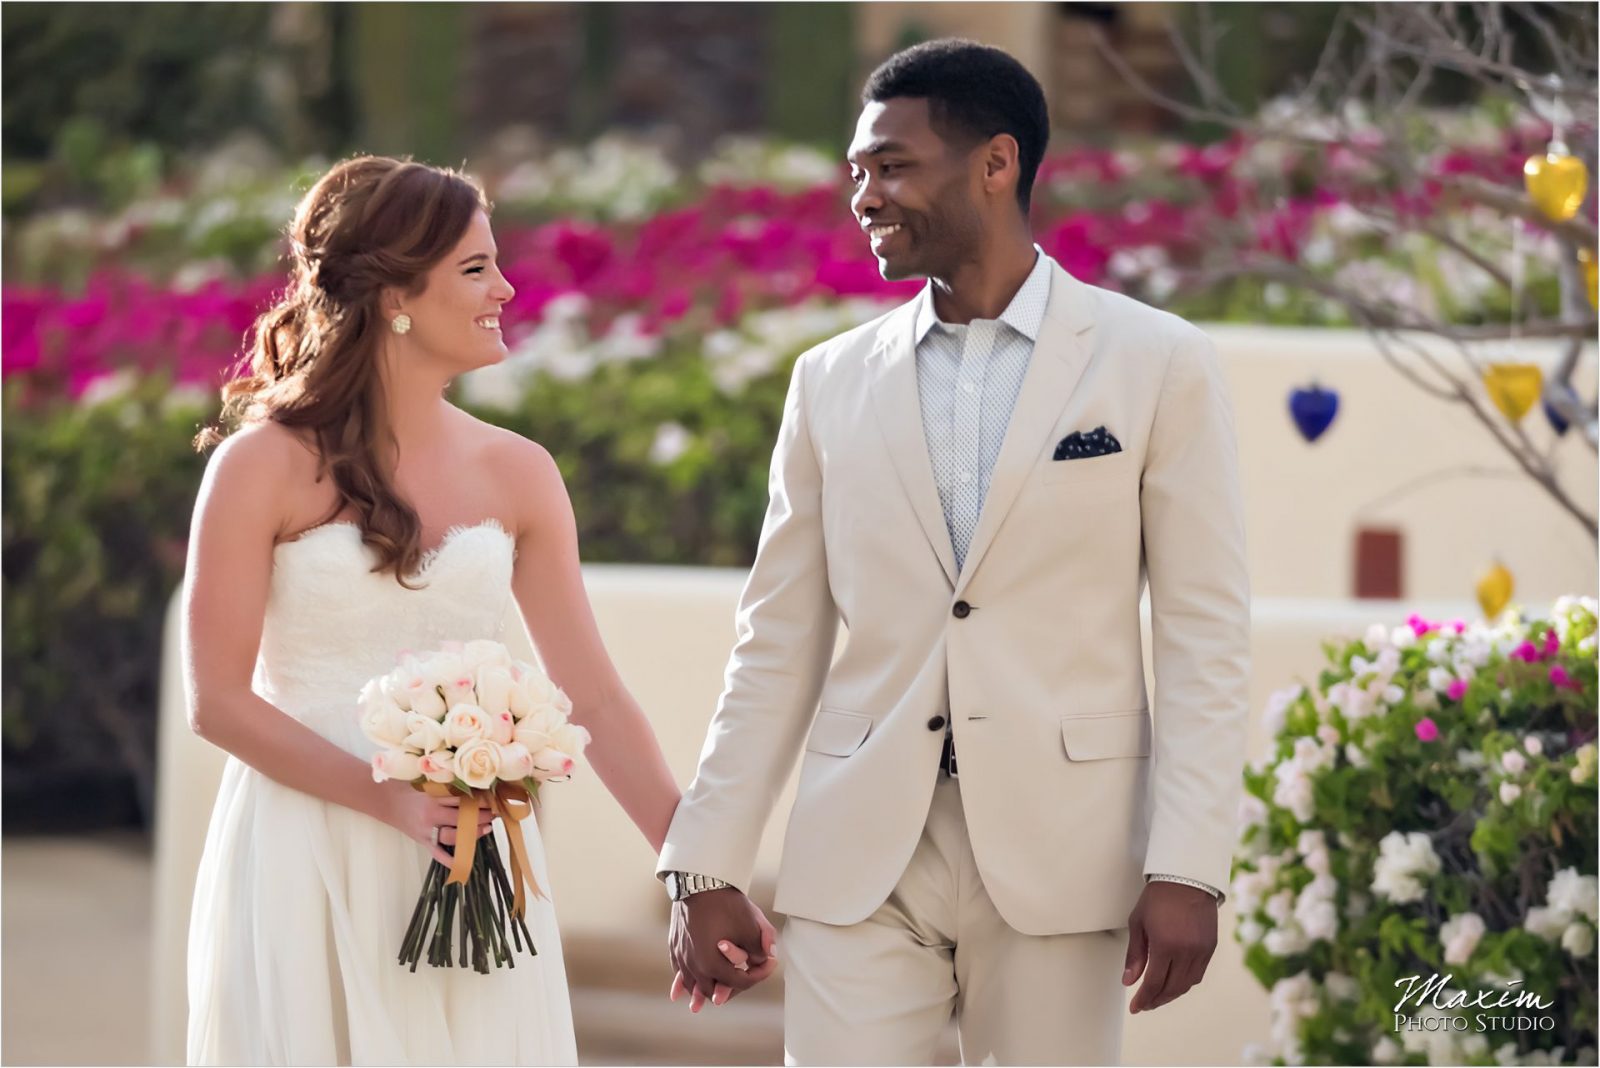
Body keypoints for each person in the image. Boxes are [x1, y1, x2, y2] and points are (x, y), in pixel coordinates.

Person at [657, 39, 1251, 1065]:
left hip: (1066, 850)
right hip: (862, 852)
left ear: (995, 163)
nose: (864, 196)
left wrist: (1190, 863)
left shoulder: (1158, 363)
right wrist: (704, 858)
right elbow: (777, 639)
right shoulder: (829, 382)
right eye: (855, 173)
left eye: (891, 166)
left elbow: (1204, 633)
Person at [182, 155, 760, 1066]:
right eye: (475, 268)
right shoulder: (260, 466)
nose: (508, 286)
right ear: (394, 295)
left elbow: (595, 700)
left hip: (474, 857)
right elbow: (216, 700)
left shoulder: (520, 471)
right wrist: (388, 798)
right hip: (307, 851)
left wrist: (693, 872)